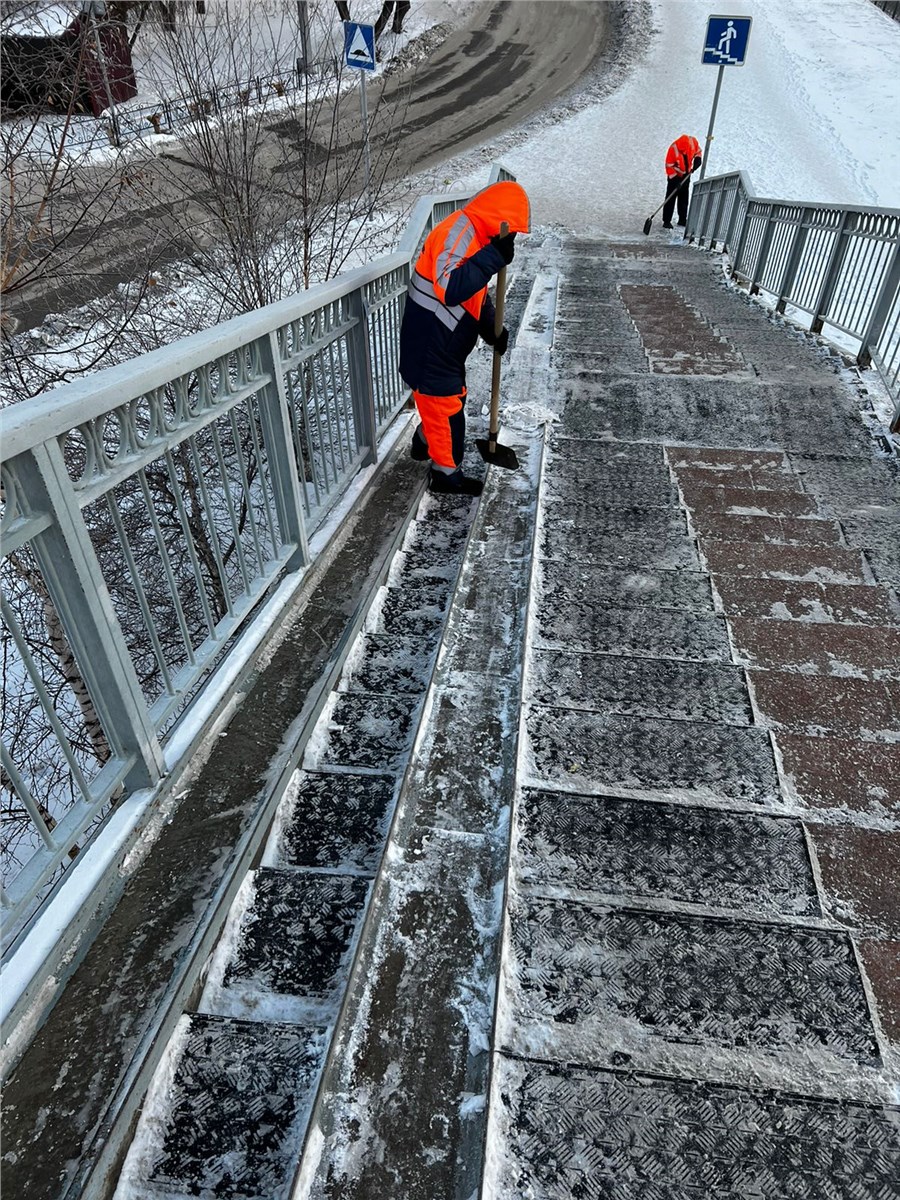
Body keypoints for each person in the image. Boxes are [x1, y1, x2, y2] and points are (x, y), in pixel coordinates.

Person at [399, 180, 531, 495]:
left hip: (443, 347)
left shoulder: (475, 238)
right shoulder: (456, 234)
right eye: (511, 231)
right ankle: (445, 475)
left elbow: (474, 297)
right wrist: (492, 258)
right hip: (429, 345)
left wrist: (492, 331)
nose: (511, 238)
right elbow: (451, 288)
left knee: (449, 402)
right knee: (446, 410)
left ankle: (423, 441)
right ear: (498, 220)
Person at [662, 133, 702, 229]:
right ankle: (666, 221)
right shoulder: (673, 149)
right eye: (682, 152)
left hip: (686, 175)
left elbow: (698, 151)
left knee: (684, 198)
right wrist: (675, 181)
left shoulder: (692, 142)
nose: (684, 153)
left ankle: (682, 219)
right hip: (674, 176)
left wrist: (698, 159)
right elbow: (669, 166)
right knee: (670, 198)